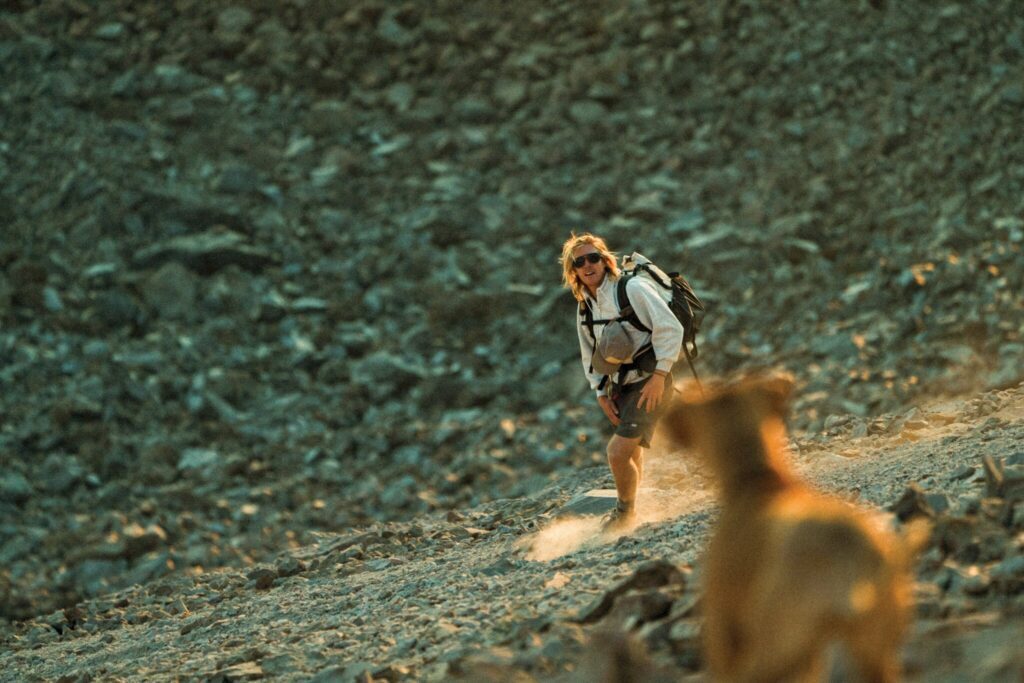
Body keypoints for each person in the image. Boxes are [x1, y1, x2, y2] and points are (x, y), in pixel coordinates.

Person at [561, 233, 684, 530]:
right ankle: (636, 507)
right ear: (573, 271)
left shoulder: (633, 289)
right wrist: (600, 393)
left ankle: (624, 513)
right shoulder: (585, 305)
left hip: (651, 381)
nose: (588, 265)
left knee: (617, 452)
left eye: (594, 258)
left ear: (606, 261)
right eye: (579, 262)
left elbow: (670, 328)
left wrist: (660, 376)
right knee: (633, 449)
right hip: (620, 385)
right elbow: (589, 351)